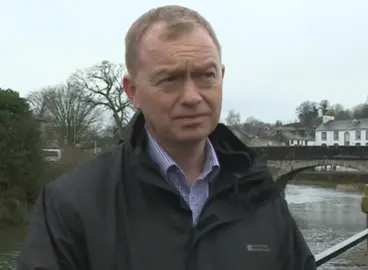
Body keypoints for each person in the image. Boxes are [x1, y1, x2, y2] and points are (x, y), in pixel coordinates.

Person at [17, 5, 316, 270]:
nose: (192, 96)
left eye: (205, 75)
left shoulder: (259, 192)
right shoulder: (71, 203)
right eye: (170, 79)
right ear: (132, 91)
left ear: (221, 76)